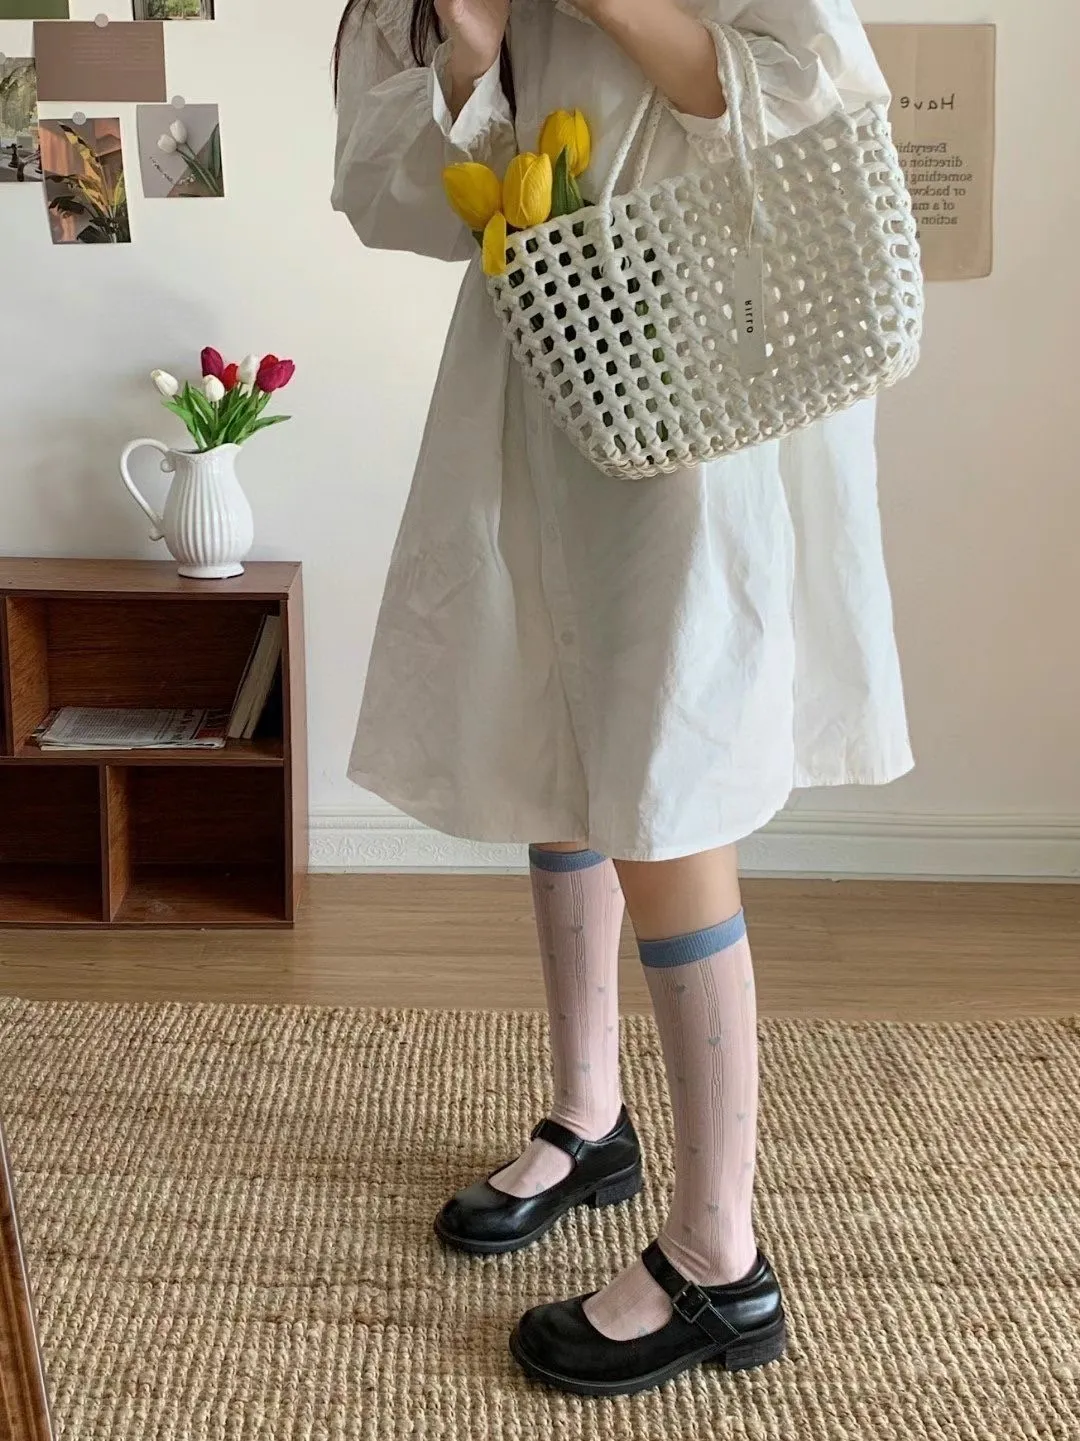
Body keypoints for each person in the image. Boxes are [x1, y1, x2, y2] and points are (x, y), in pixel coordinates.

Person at [332, 0, 912, 1400]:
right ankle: (590, 1115)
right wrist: (471, 54)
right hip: (544, 361)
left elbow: (819, 96)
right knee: (563, 741)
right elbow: (384, 193)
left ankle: (722, 1254)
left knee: (669, 779)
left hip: (699, 376)